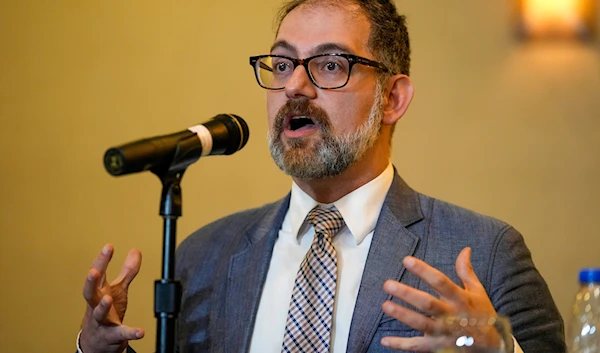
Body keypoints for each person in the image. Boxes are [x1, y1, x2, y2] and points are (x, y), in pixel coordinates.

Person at [77, 0, 565, 352]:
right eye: (283, 62)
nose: (294, 86)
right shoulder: (204, 256)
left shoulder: (488, 252)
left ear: (392, 98)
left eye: (330, 64)